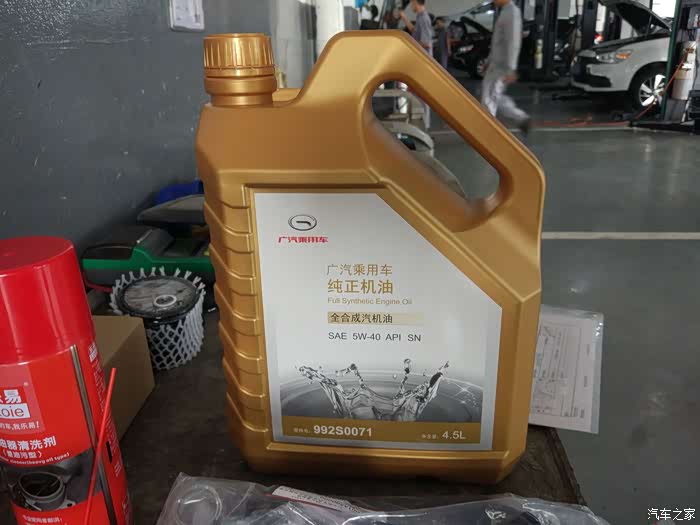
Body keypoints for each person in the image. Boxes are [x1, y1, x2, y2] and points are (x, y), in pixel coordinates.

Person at [481, 0, 531, 133]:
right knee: (495, 96)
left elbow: (513, 42)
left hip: (501, 66)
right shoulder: (505, 12)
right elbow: (497, 42)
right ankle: (521, 118)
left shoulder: (512, 13)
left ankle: (487, 132)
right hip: (496, 63)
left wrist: (511, 68)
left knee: (489, 98)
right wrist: (488, 61)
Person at [400, 0, 434, 128]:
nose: (411, 5)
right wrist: (405, 19)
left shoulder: (424, 18)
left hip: (423, 64)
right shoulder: (420, 17)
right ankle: (419, 125)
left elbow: (426, 43)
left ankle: (425, 127)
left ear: (415, 2)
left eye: (412, 3)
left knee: (423, 96)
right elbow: (415, 32)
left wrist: (409, 44)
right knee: (416, 94)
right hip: (419, 62)